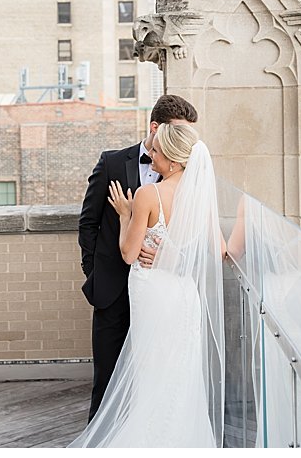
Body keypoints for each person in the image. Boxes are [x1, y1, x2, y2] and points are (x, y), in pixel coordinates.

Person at [70, 121, 225, 447]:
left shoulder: (147, 194)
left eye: (155, 149)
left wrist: (126, 216)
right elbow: (220, 251)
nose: (150, 153)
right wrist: (177, 258)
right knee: (181, 372)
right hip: (183, 295)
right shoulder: (200, 196)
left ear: (170, 158)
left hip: (153, 294)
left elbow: (128, 253)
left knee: (150, 368)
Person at [77, 94, 197, 420]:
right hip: (113, 290)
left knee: (156, 373)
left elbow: (201, 242)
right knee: (107, 378)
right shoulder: (112, 163)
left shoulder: (191, 183)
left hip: (160, 295)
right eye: (176, 133)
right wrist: (94, 273)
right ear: (155, 127)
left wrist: (171, 256)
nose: (183, 143)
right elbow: (88, 222)